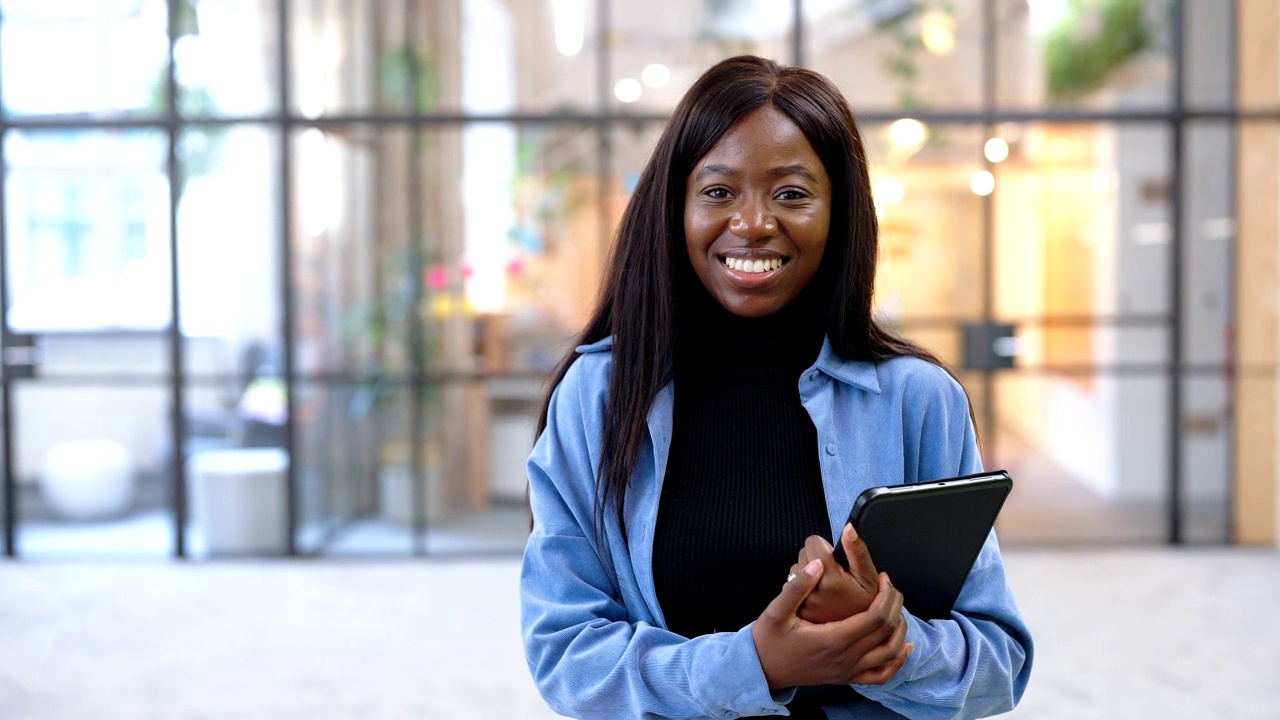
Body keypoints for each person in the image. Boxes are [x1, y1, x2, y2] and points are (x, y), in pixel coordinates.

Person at [520, 54, 1033, 719]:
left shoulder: (917, 400)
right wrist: (755, 665)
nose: (754, 222)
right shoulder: (600, 395)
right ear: (676, 207)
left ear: (839, 211)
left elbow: (998, 666)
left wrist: (887, 644)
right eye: (718, 191)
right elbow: (565, 657)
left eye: (791, 193)